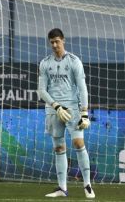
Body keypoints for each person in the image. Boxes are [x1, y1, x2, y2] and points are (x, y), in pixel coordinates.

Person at [37, 28, 95, 199]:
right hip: (54, 110)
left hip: (72, 109)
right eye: (52, 42)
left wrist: (84, 113)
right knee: (59, 147)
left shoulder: (74, 61)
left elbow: (82, 88)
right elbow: (41, 90)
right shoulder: (45, 63)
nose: (55, 45)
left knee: (78, 143)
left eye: (57, 41)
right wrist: (56, 106)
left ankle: (87, 185)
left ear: (63, 40)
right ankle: (62, 188)